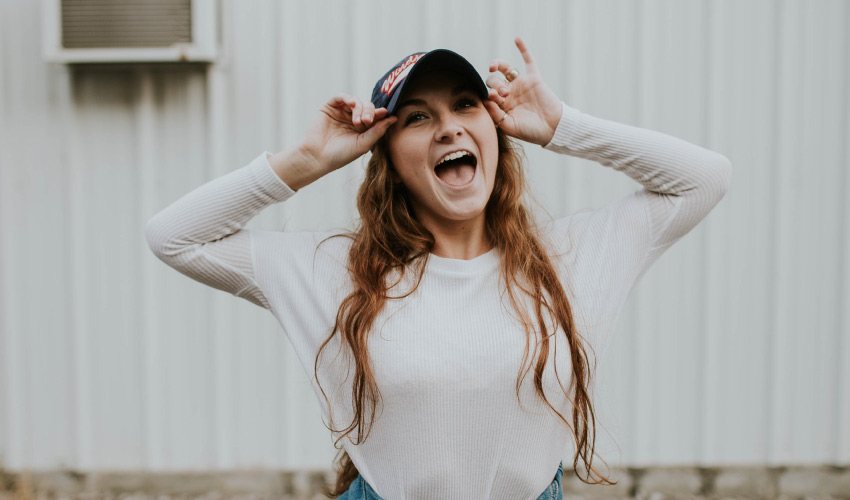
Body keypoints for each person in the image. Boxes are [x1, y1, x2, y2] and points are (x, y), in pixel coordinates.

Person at [145, 37, 732, 500]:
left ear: (494, 129)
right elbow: (174, 237)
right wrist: (303, 163)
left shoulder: (573, 257)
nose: (450, 125)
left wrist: (564, 128)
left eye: (465, 104)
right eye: (418, 118)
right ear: (390, 160)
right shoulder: (335, 271)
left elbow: (705, 179)